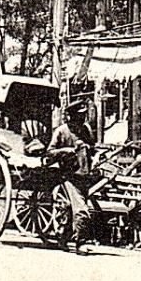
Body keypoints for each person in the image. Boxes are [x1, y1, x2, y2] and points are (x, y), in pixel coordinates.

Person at [44, 101, 97, 252]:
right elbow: (50, 152)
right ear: (71, 117)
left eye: (83, 116)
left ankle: (63, 238)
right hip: (68, 175)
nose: (81, 120)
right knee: (81, 209)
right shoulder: (62, 131)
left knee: (68, 208)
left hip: (84, 174)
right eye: (78, 116)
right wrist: (66, 150)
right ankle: (81, 243)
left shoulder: (85, 130)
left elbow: (91, 147)